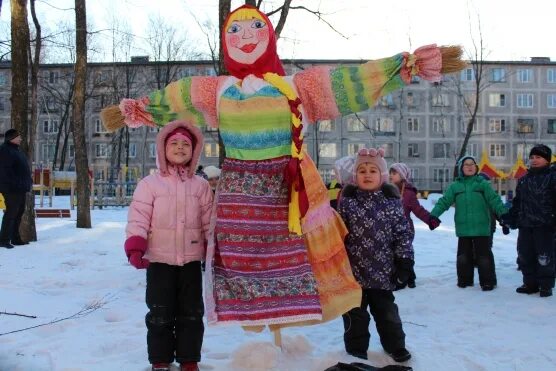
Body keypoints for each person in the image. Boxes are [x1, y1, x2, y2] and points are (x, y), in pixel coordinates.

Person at [101, 4, 466, 329]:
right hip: (241, 195)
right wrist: (133, 111)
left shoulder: (297, 87)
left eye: (255, 27)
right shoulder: (216, 91)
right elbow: (174, 99)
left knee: (300, 252)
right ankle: (252, 314)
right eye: (235, 30)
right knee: (243, 257)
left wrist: (401, 66)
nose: (245, 37)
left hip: (289, 191)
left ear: (270, 36)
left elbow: (349, 83)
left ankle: (307, 314)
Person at [124, 120, 213, 371]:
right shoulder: (150, 185)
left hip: (191, 260)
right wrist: (135, 247)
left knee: (192, 312)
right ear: (162, 148)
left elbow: (209, 222)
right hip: (159, 260)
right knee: (159, 311)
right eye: (174, 142)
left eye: (186, 144)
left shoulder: (201, 186)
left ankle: (189, 359)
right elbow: (138, 217)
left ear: (194, 151)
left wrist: (210, 249)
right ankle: (160, 359)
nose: (180, 147)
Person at [338, 148, 414, 363]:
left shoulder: (391, 202)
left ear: (381, 176)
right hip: (354, 274)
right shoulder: (348, 202)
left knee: (387, 314)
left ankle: (396, 346)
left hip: (383, 273)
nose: (367, 174)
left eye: (373, 170)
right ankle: (356, 349)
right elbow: (338, 232)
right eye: (362, 170)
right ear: (355, 176)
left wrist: (405, 261)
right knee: (354, 315)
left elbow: (402, 233)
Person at [430, 155, 507, 291]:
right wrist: (434, 216)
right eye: (466, 164)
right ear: (461, 168)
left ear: (476, 167)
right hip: (463, 227)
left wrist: (504, 216)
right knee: (463, 257)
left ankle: (488, 281)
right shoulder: (455, 186)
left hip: (481, 227)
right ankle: (464, 280)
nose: (470, 166)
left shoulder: (482, 184)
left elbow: (495, 200)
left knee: (484, 257)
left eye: (472, 164)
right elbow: (444, 202)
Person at [502, 144, 556, 297]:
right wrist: (509, 219)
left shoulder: (552, 177)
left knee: (544, 256)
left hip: (545, 225)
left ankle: (546, 285)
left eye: (538, 157)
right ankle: (530, 283)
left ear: (547, 159)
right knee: (525, 255)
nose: (534, 160)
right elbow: (518, 203)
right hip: (525, 225)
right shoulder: (524, 180)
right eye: (532, 157)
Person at [389, 163, 439, 289]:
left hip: (406, 230)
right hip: (389, 230)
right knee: (394, 255)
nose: (391, 176)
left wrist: (430, 219)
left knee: (404, 255)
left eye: (394, 173)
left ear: (403, 176)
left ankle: (404, 279)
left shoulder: (408, 193)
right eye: (390, 173)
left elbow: (418, 210)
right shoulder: (386, 191)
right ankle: (408, 277)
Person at [0, 129, 32, 249]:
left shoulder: (15, 150)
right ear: (11, 138)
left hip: (20, 188)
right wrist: (15, 183)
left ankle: (15, 238)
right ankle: (3, 239)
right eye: (18, 137)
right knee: (11, 213)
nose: (21, 139)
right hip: (11, 188)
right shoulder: (5, 151)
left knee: (19, 212)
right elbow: (5, 172)